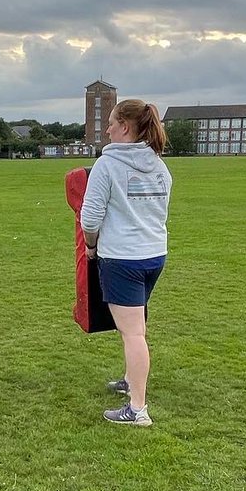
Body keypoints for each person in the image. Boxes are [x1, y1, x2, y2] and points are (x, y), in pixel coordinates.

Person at [79, 99, 173, 426]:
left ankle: (137, 409)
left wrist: (90, 247)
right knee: (135, 327)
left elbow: (89, 218)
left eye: (111, 123)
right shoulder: (160, 166)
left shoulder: (108, 165)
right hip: (154, 255)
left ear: (125, 127)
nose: (106, 129)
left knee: (133, 333)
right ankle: (131, 380)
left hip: (122, 258)